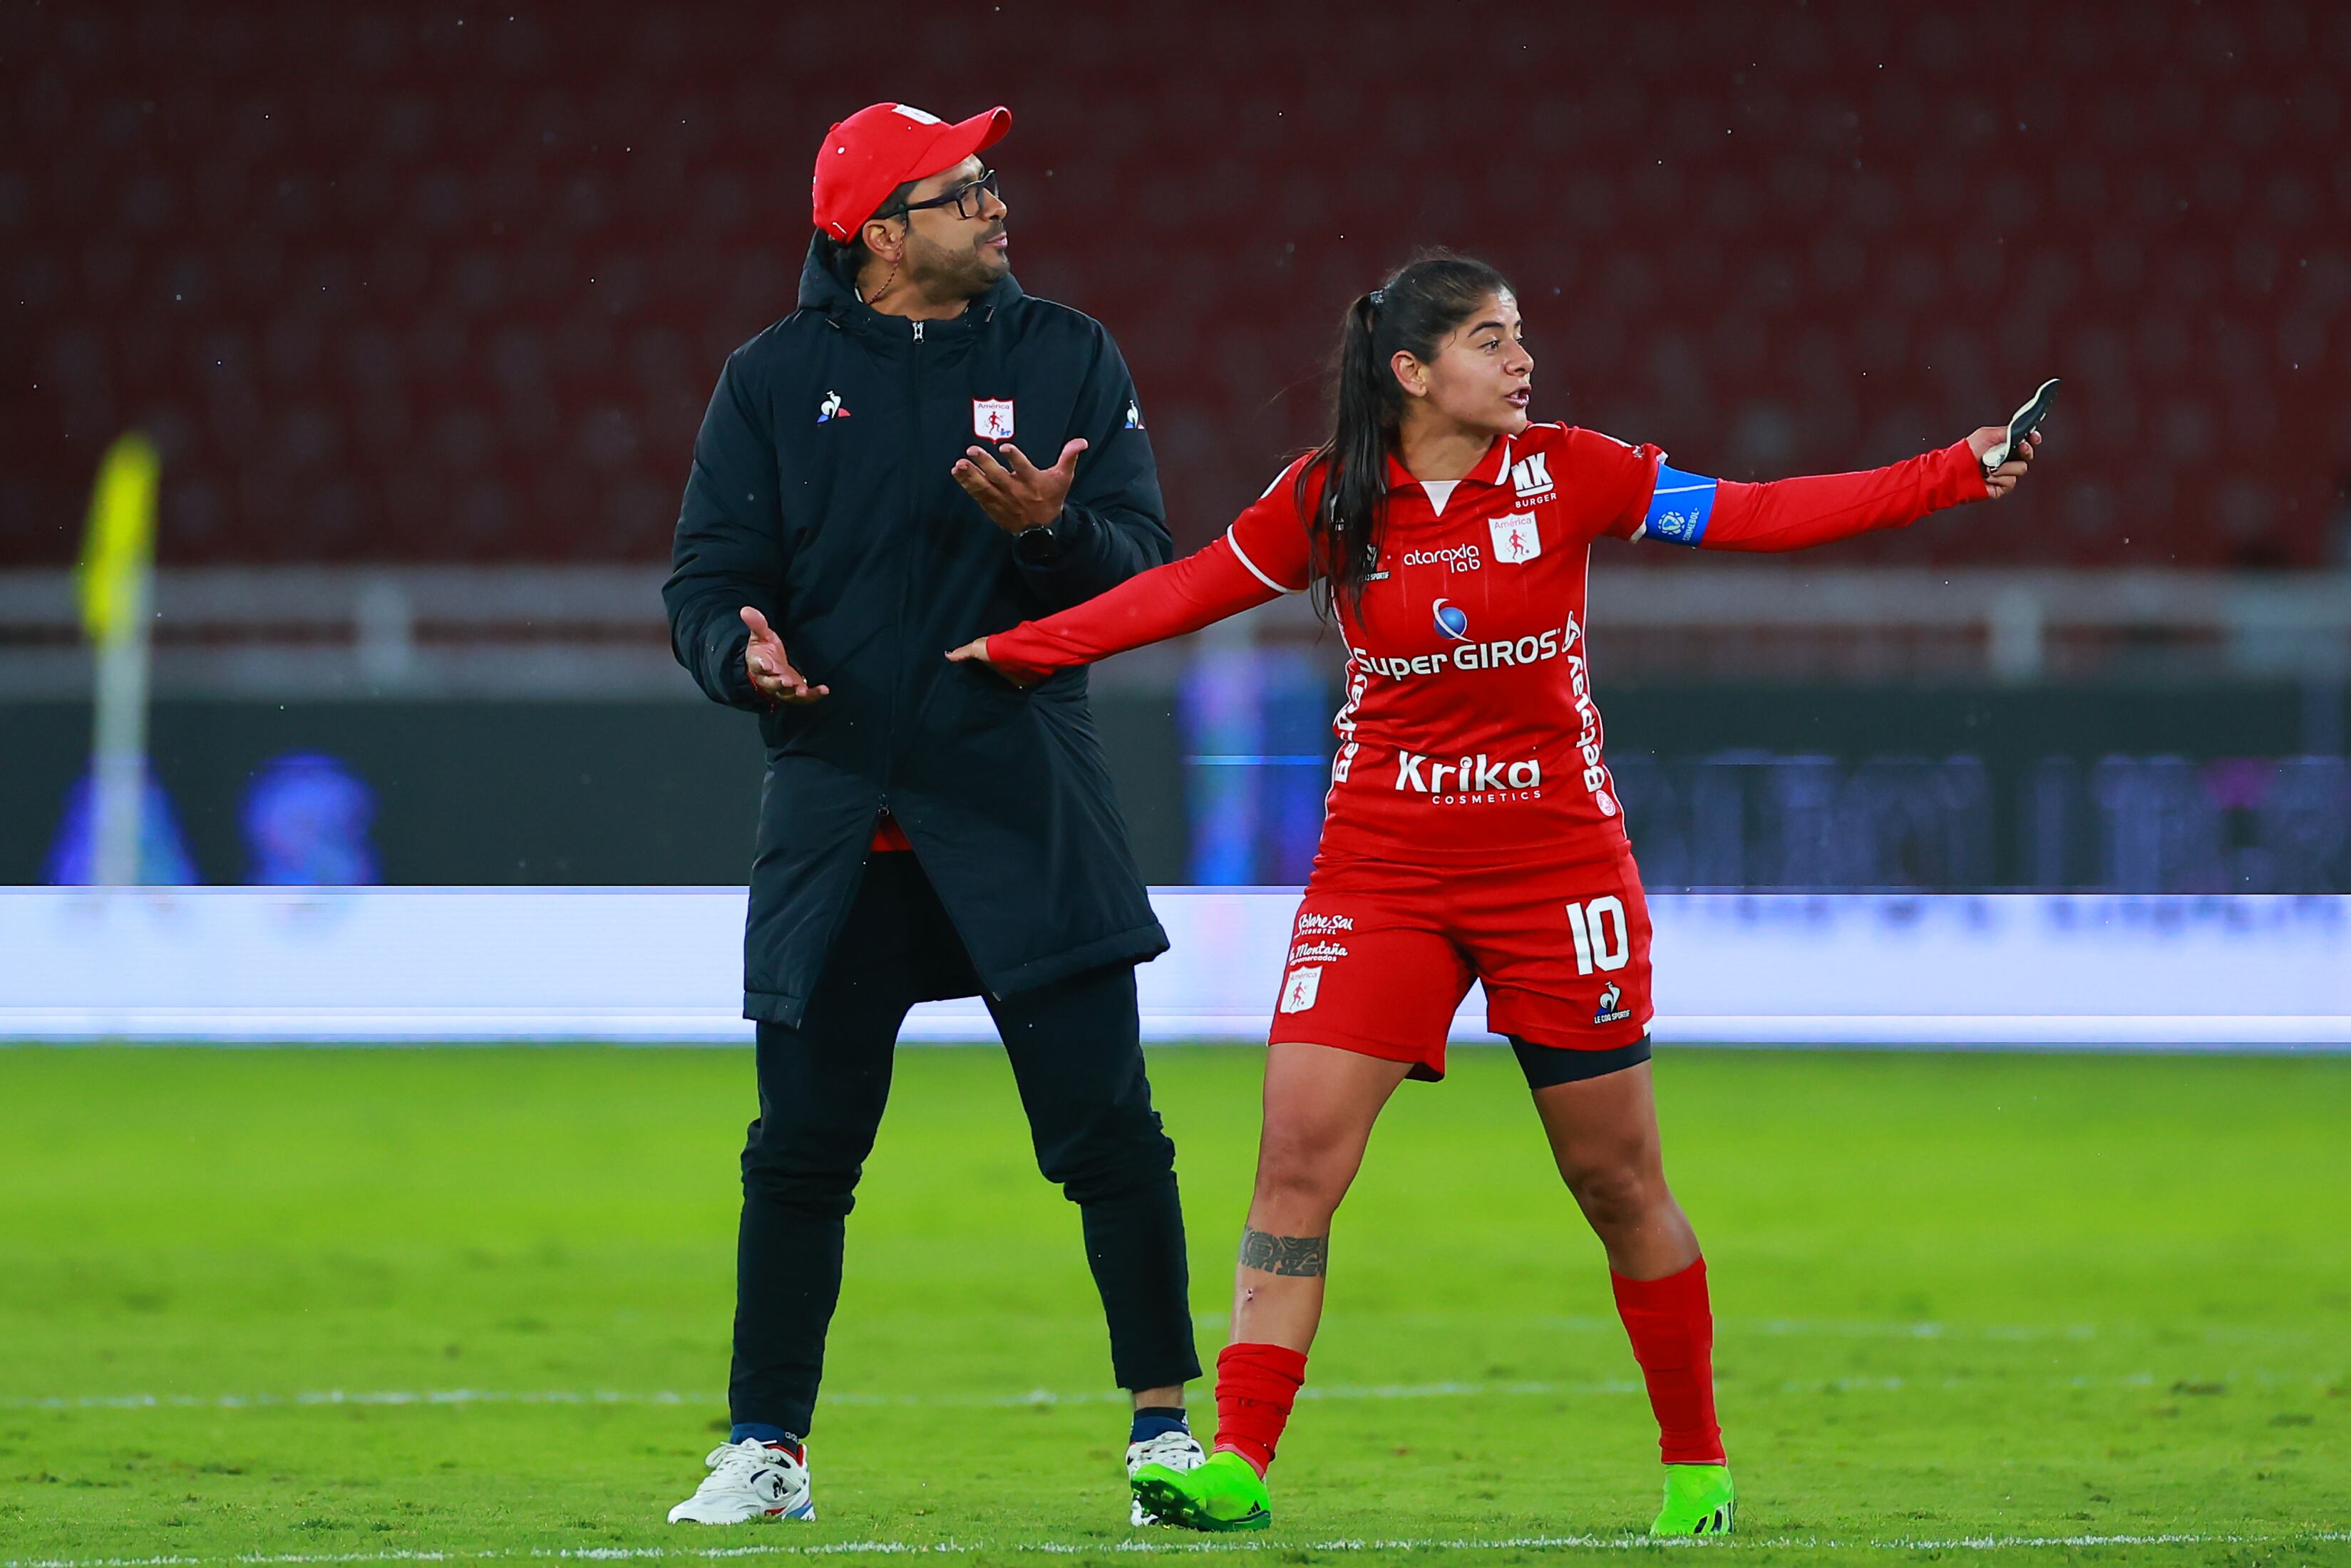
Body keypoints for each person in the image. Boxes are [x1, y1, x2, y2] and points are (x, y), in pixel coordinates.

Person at [950, 252, 2042, 1537]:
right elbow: (1185, 589)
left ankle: (1696, 1467)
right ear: (1412, 372)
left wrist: (1953, 470)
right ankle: (1239, 1461)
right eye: (1490, 340)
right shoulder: (1330, 499)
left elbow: (1760, 513)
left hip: (1555, 869)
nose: (1523, 361)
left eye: (1520, 336)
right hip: (1383, 869)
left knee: (1615, 1182)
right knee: (1294, 1164)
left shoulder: (1578, 471)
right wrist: (1020, 652)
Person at [661, 101, 1205, 1527]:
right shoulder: (772, 380)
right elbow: (706, 579)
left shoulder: (1068, 356)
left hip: (1024, 810)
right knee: (798, 1155)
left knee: (1111, 1138)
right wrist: (736, 653)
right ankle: (768, 1448)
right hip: (844, 822)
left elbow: (1144, 574)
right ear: (878, 234)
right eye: (960, 189)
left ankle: (1163, 1434)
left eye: (988, 180)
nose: (996, 202)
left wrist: (1050, 533)